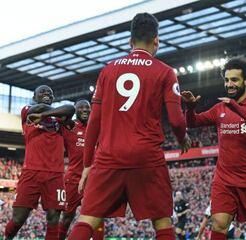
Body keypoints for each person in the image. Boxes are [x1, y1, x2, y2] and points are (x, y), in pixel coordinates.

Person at [67, 12, 191, 240]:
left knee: (87, 219)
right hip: (147, 157)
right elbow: (175, 120)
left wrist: (87, 165)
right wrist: (182, 137)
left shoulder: (108, 71)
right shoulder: (165, 72)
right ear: (156, 40)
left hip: (108, 157)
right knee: (162, 221)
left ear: (129, 41)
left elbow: (94, 121)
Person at [182, 57, 246, 240]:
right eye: (226, 80)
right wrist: (191, 108)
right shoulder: (220, 108)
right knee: (219, 225)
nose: (229, 84)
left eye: (234, 80)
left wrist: (237, 108)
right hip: (224, 180)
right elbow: (192, 122)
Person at [4, 85, 75, 239]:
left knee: (54, 217)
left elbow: (70, 108)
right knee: (18, 218)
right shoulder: (27, 111)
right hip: (31, 172)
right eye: (42, 92)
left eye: (50, 92)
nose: (46, 93)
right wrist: (45, 113)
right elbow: (40, 108)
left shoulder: (59, 119)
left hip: (55, 175)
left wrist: (45, 116)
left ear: (54, 98)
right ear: (34, 97)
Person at [58, 99, 104, 239]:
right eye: (81, 108)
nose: (85, 110)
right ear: (75, 111)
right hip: (73, 180)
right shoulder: (69, 128)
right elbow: (63, 113)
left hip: (93, 180)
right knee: (67, 217)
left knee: (97, 217)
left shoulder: (97, 128)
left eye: (87, 108)